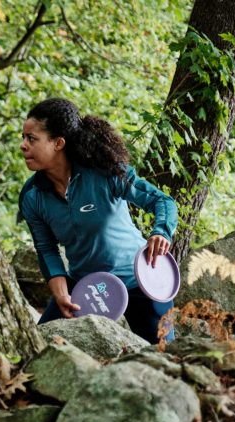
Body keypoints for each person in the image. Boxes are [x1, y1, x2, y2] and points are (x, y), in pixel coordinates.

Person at [17, 98, 178, 343]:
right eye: (23, 137)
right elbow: (46, 249)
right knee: (38, 346)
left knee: (166, 355)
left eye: (32, 139)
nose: (23, 145)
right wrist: (61, 293)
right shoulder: (32, 196)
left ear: (58, 143)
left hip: (140, 281)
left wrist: (161, 232)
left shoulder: (105, 172)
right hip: (86, 286)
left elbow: (162, 202)